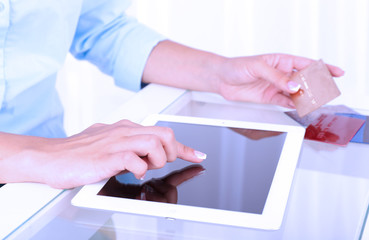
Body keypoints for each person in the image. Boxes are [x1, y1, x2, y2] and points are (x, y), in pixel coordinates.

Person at [0, 1, 344, 189]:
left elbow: (99, 27)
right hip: (54, 159)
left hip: (55, 177)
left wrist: (220, 73)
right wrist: (43, 153)